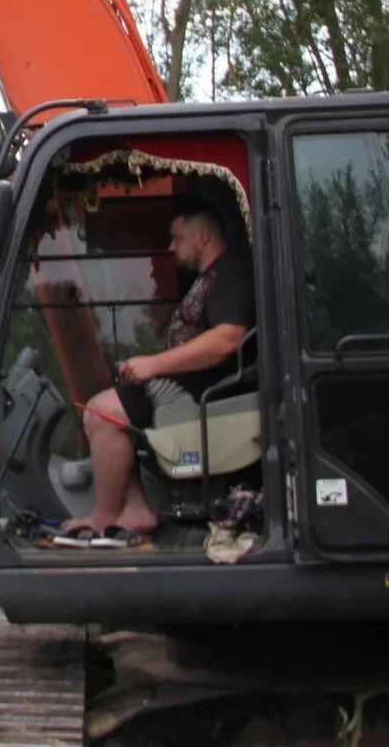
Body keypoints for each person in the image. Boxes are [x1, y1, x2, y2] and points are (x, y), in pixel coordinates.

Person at [54, 206, 255, 547]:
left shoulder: (230, 273)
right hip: (181, 386)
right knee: (100, 414)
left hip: (203, 393)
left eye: (177, 239)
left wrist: (154, 365)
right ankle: (135, 510)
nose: (171, 248)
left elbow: (228, 339)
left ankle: (103, 517)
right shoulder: (209, 279)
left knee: (101, 415)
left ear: (202, 236)